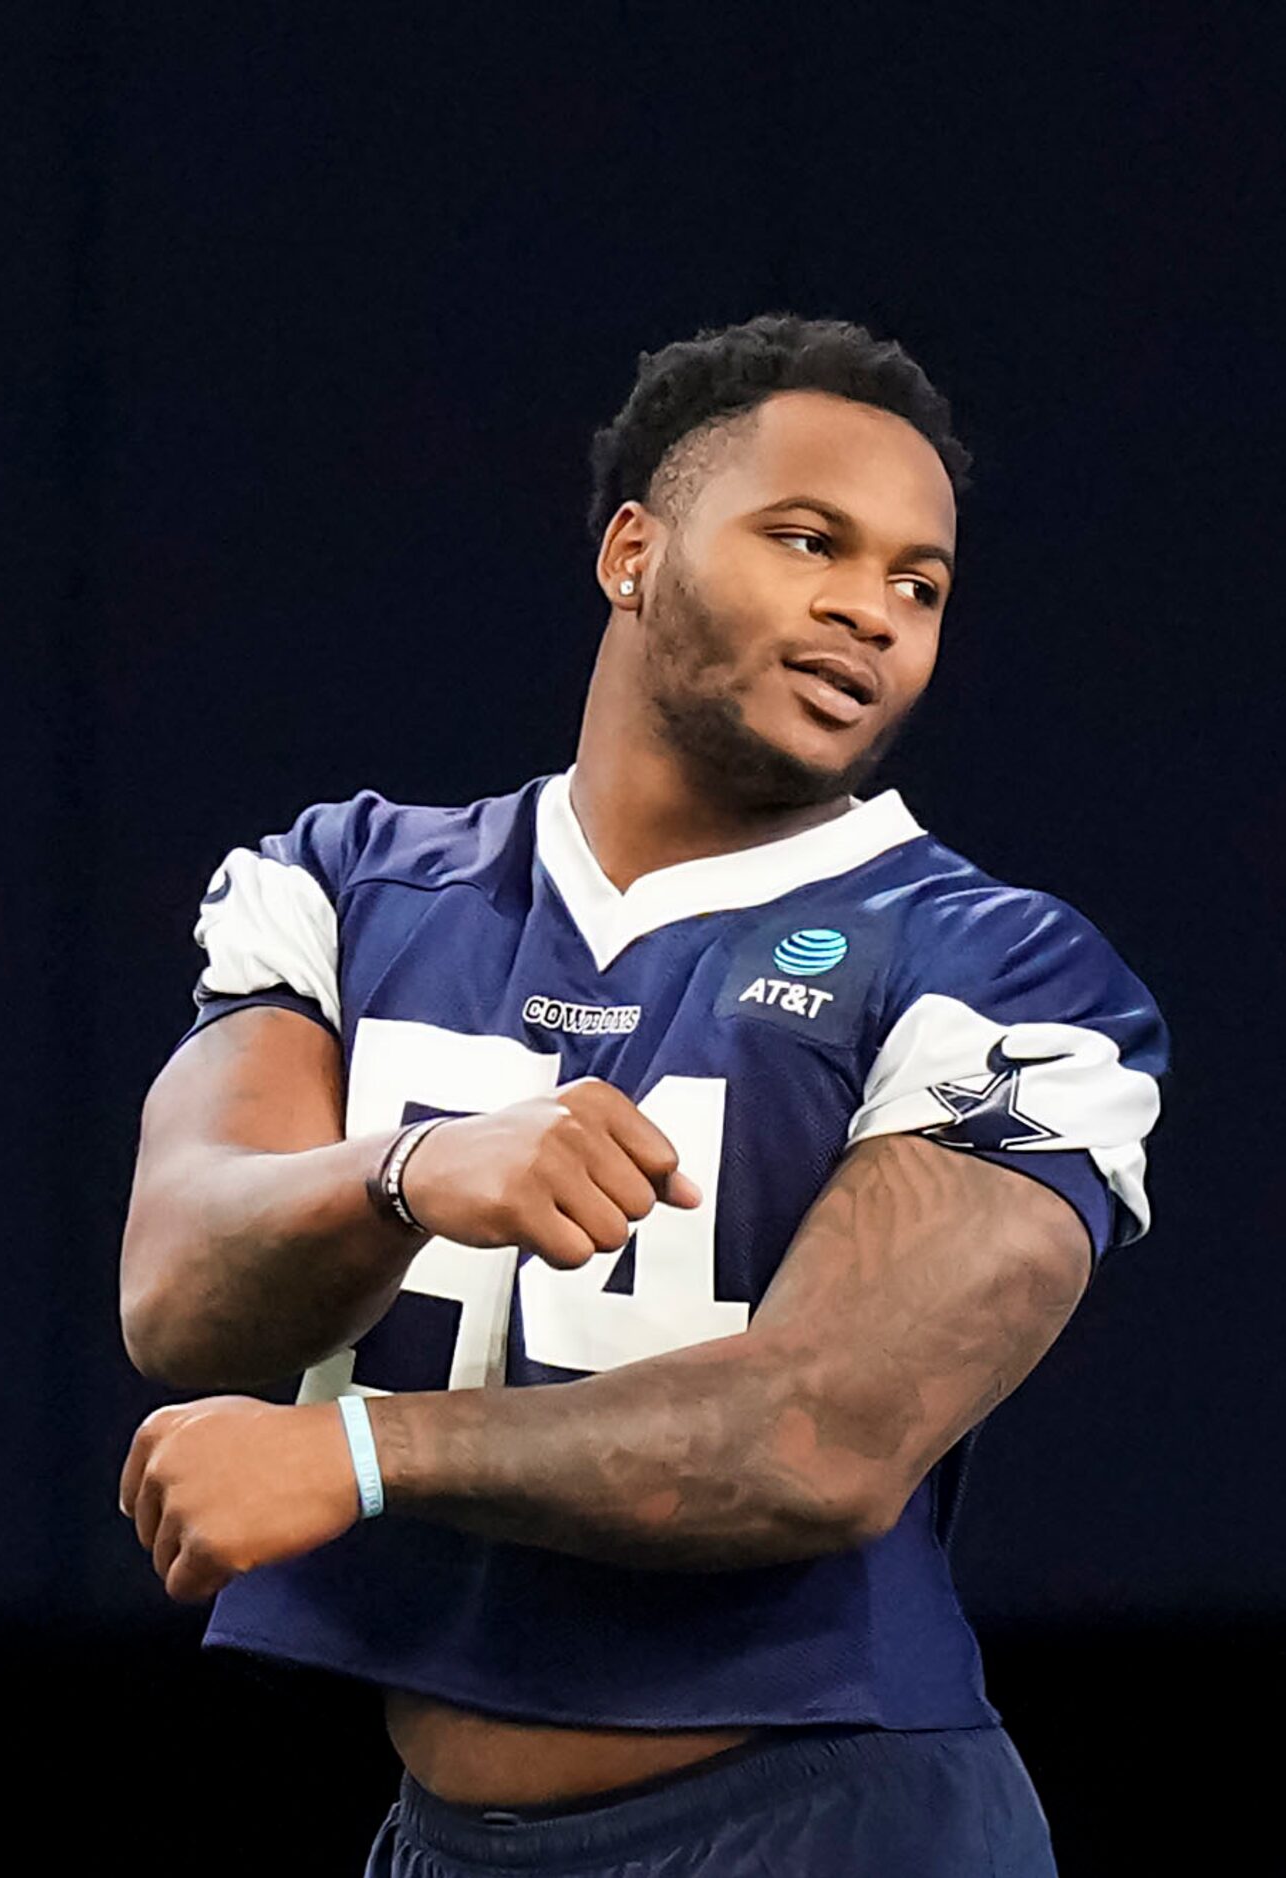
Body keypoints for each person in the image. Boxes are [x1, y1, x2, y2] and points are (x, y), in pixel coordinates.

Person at [114, 315, 1165, 1876]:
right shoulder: (342, 878)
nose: (864, 610)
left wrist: (363, 1451)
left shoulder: (1003, 970)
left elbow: (821, 1434)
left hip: (825, 1826)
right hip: (443, 1834)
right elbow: (182, 1299)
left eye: (916, 583)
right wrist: (405, 1171)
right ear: (632, 551)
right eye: (807, 538)